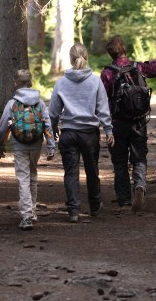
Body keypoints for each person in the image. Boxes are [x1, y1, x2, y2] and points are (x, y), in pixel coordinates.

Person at [49, 43, 114, 223]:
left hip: (69, 133)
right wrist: (108, 129)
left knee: (71, 172)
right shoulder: (95, 80)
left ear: (70, 59)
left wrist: (53, 129)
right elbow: (103, 108)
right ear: (86, 57)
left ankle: (74, 211)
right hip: (89, 134)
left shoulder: (61, 82)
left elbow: (53, 112)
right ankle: (95, 206)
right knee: (92, 170)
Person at [100, 35, 156, 212]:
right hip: (138, 121)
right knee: (139, 157)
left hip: (117, 123)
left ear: (110, 54)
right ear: (124, 50)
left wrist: (104, 124)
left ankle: (124, 200)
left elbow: (102, 99)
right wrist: (154, 61)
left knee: (119, 162)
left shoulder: (107, 73)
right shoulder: (138, 67)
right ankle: (140, 185)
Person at [0, 69, 55, 231]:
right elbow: (47, 124)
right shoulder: (40, 102)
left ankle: (26, 215)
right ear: (31, 83)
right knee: (33, 175)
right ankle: (33, 211)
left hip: (19, 144)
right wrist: (50, 146)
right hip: (36, 143)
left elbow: (2, 127)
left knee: (23, 177)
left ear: (16, 83)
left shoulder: (12, 103)